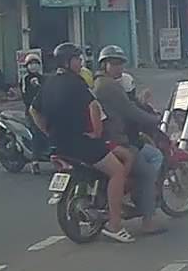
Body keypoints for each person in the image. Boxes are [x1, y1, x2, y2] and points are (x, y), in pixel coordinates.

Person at [31, 42, 136, 243]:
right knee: (118, 171)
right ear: (67, 62)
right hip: (81, 144)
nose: (80, 63)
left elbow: (34, 111)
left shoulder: (48, 82)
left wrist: (47, 132)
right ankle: (115, 225)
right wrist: (96, 132)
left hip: (57, 145)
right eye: (77, 59)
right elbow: (93, 107)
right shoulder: (76, 82)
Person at [92, 45, 167, 235]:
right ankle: (148, 221)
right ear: (104, 65)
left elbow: (131, 106)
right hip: (116, 140)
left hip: (109, 138)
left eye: (121, 64)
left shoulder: (100, 83)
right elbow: (130, 111)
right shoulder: (109, 86)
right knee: (147, 173)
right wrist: (154, 119)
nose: (119, 68)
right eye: (114, 63)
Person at [21, 53, 48, 167]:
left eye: (36, 63)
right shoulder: (25, 79)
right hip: (32, 111)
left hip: (45, 110)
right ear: (27, 66)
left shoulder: (43, 78)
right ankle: (35, 161)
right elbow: (25, 96)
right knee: (37, 132)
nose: (33, 65)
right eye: (31, 63)